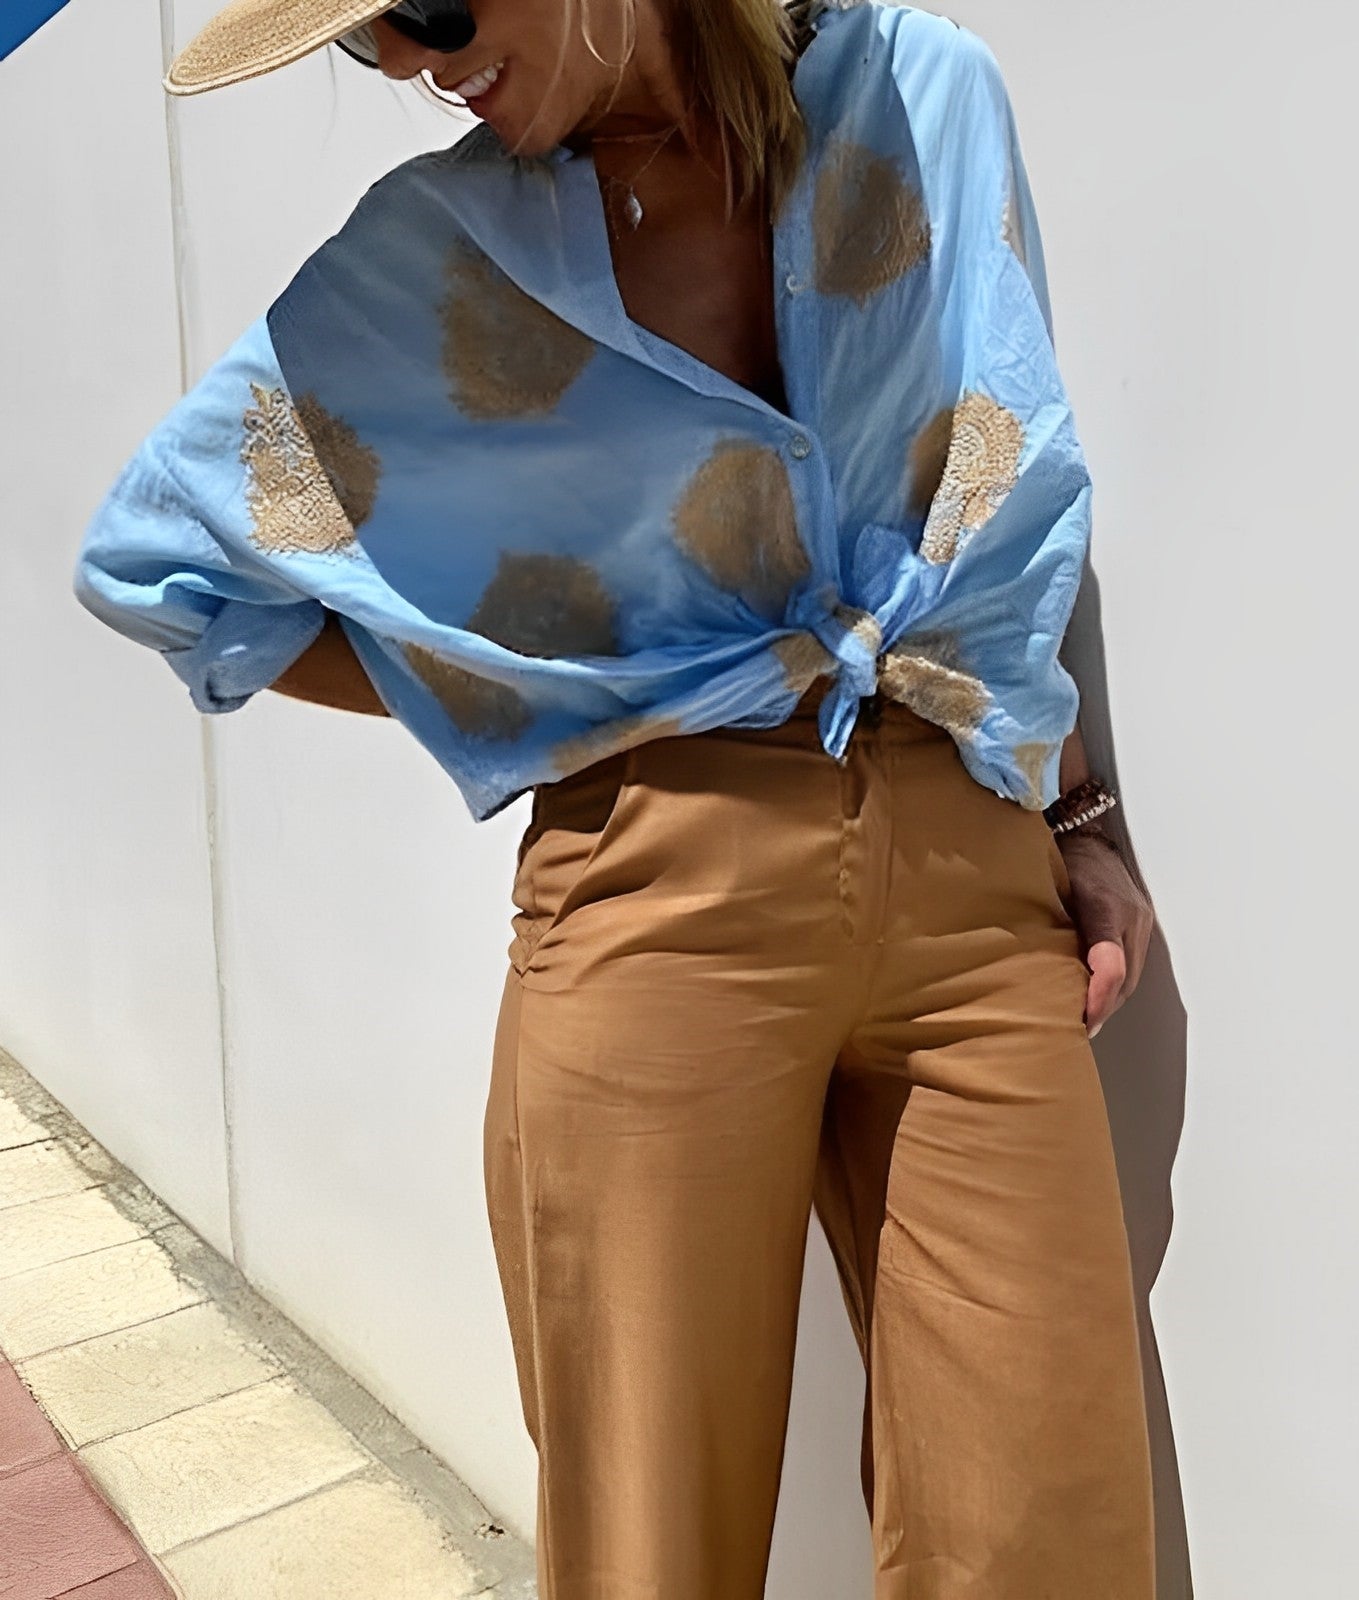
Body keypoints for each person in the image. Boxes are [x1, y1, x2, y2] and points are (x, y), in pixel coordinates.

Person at [72, 0, 1160, 1592]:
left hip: (973, 896)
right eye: (370, 44)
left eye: (426, 7)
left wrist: (1078, 811)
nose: (417, 64)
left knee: (1047, 1530)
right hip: (655, 900)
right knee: (650, 1552)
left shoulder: (925, 93)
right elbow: (167, 569)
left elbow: (1004, 481)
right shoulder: (447, 251)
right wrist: (554, 691)